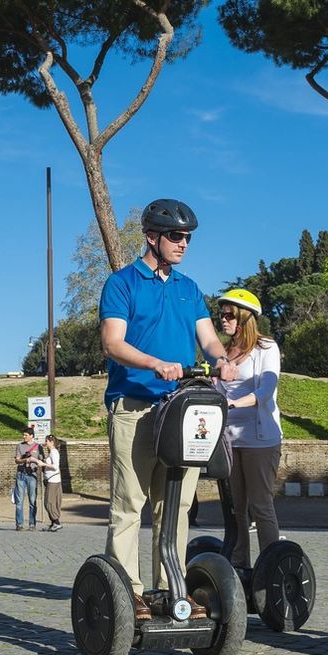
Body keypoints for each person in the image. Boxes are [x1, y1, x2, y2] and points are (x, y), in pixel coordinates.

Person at [100, 199, 238, 622]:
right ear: (151, 237)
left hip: (181, 409)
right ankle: (128, 594)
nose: (183, 244)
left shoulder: (189, 289)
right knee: (129, 502)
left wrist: (221, 358)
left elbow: (208, 338)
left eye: (188, 238)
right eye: (176, 236)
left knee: (175, 505)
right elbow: (113, 343)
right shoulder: (122, 283)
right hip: (135, 407)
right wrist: (154, 363)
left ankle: (169, 587)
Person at [214, 288, 283, 569]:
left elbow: (266, 389)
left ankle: (271, 564)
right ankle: (240, 562)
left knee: (260, 506)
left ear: (245, 318)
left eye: (229, 315)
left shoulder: (266, 349)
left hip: (260, 438)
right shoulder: (221, 353)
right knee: (236, 508)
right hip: (230, 439)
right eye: (221, 314)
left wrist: (232, 404)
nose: (223, 320)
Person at [12, 429, 41, 531]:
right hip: (21, 474)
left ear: (31, 436)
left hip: (32, 475)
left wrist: (37, 462)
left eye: (26, 435)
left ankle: (32, 524)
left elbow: (41, 460)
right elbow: (17, 460)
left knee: (32, 500)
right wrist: (25, 459)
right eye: (23, 435)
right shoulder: (20, 446)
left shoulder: (38, 447)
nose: (24, 437)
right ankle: (19, 524)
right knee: (19, 501)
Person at [41, 435, 64, 532]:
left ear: (52, 442)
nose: (45, 443)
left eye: (46, 441)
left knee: (49, 502)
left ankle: (57, 522)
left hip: (53, 481)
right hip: (51, 480)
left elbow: (55, 466)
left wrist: (43, 464)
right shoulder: (51, 453)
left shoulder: (54, 452)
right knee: (52, 502)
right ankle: (53, 523)